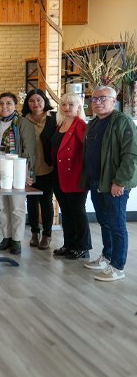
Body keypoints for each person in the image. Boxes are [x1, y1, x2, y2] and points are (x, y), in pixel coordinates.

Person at [81, 85, 137, 282]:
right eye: (94, 99)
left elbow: (131, 155)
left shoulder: (123, 122)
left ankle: (118, 266)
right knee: (104, 221)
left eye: (102, 98)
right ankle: (107, 256)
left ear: (114, 101)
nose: (97, 102)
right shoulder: (93, 123)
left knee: (116, 224)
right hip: (97, 181)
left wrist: (120, 181)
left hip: (114, 183)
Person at [0, 92, 36, 256]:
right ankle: (6, 237)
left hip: (16, 170)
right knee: (1, 206)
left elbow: (29, 150)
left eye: (9, 103)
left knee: (17, 207)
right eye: (1, 103)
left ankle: (17, 240)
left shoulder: (22, 123)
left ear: (15, 106)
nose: (4, 106)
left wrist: (27, 173)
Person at [51, 93, 91, 260]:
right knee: (66, 212)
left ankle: (82, 247)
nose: (66, 107)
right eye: (64, 104)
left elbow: (88, 151)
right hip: (59, 175)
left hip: (75, 175)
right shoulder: (60, 124)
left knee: (77, 212)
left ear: (78, 107)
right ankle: (69, 244)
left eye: (71, 104)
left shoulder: (80, 125)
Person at [22, 88, 57, 250]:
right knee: (31, 202)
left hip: (48, 167)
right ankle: (34, 233)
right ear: (27, 104)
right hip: (29, 169)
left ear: (45, 101)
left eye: (39, 100)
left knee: (46, 202)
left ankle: (47, 234)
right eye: (31, 101)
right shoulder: (23, 120)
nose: (35, 103)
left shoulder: (54, 118)